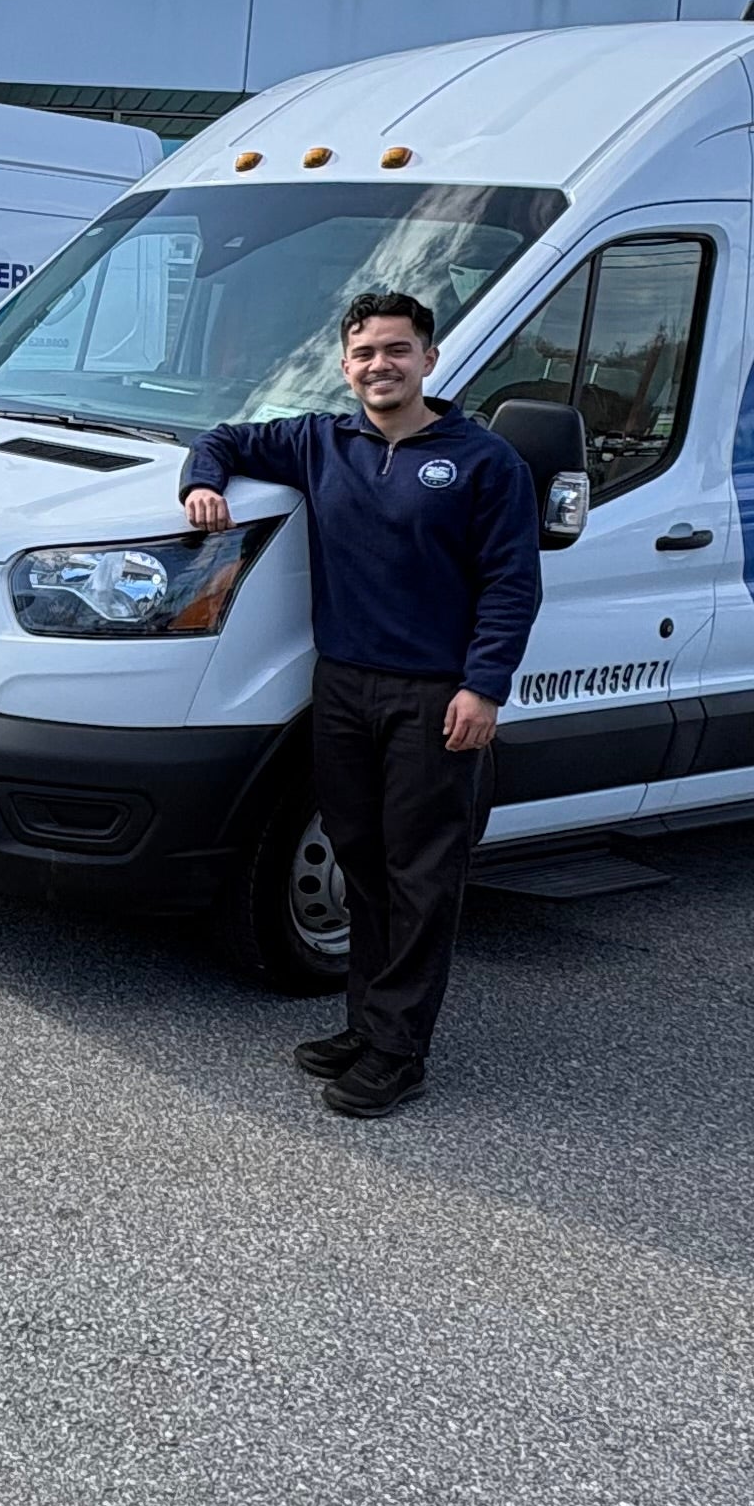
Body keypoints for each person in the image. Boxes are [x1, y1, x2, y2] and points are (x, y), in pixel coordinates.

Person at [180, 286, 544, 1118]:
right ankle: (367, 1021)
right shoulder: (321, 441)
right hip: (342, 686)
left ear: (429, 357)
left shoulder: (484, 462)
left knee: (421, 874)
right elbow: (223, 438)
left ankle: (399, 1050)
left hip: (433, 698)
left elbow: (511, 585)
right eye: (364, 354)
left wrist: (484, 686)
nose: (380, 365)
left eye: (396, 350)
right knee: (364, 861)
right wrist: (201, 485)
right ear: (345, 367)